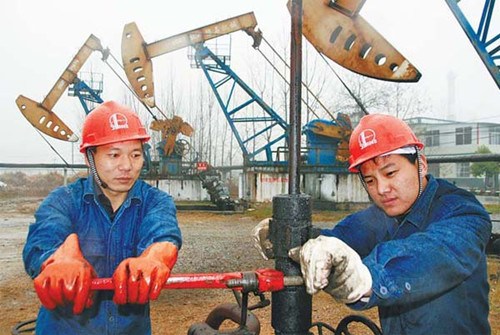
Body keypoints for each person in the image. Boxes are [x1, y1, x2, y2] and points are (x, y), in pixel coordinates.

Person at [253, 114, 491, 334]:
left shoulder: (463, 213)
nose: (381, 189)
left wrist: (366, 277)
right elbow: (340, 239)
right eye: (370, 180)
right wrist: (289, 239)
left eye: (390, 173)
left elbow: (435, 252)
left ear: (421, 164)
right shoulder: (381, 217)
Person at [23, 101, 182, 334]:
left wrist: (154, 258)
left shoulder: (156, 202)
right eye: (114, 155)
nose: (127, 166)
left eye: (135, 155)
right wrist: (57, 260)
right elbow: (42, 239)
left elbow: (163, 233)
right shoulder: (63, 200)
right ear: (89, 158)